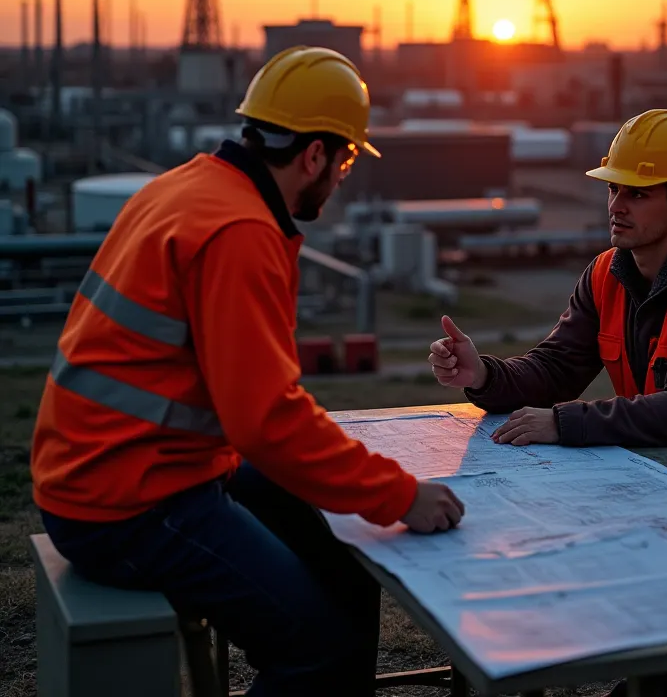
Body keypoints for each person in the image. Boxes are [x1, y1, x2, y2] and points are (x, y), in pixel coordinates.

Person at [31, 46, 465, 697]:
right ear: (314, 155)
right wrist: (401, 496)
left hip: (125, 468)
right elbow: (266, 422)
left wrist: (356, 481)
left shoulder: (186, 187)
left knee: (341, 561)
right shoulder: (240, 231)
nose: (345, 174)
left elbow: (258, 408)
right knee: (321, 649)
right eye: (345, 157)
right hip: (129, 504)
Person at [429, 108, 667, 480]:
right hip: (662, 472)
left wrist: (563, 422)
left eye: (637, 194)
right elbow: (555, 370)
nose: (616, 206)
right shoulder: (606, 275)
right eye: (613, 189)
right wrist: (484, 375)